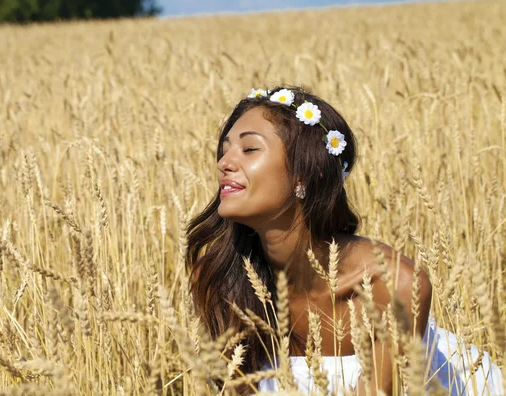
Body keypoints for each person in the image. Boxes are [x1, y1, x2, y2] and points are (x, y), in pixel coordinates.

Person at [185, 86, 503, 395]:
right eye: (224, 150)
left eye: (249, 149)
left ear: (306, 175)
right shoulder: (219, 279)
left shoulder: (391, 284)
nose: (224, 163)